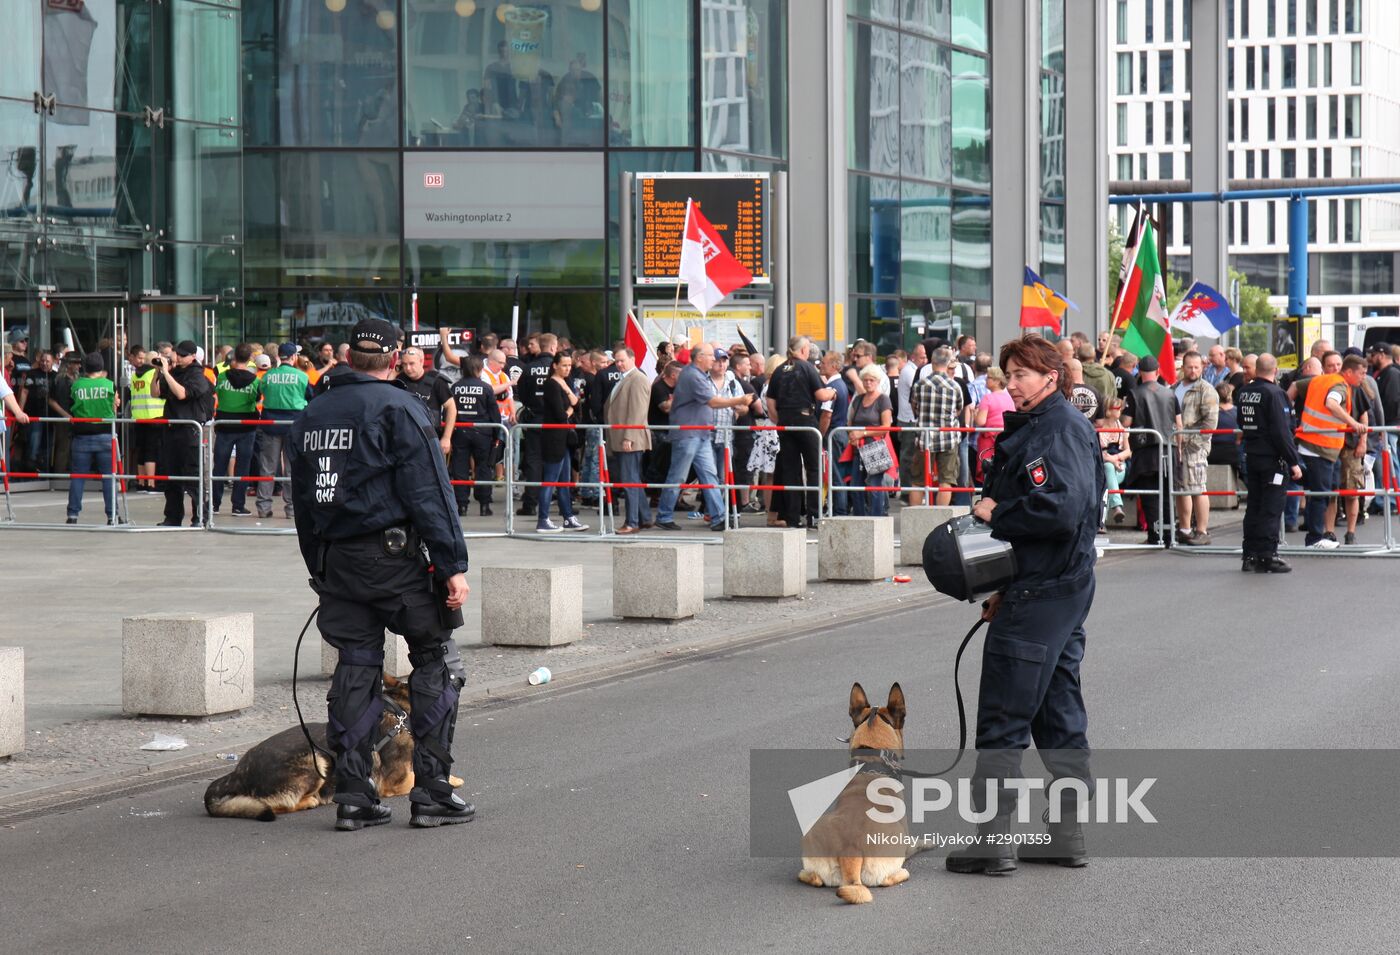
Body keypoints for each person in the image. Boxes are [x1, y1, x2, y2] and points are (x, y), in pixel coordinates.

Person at [287, 318, 473, 831]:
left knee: (355, 668)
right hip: (398, 562)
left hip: (338, 562)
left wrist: (317, 567)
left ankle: (354, 794)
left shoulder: (311, 414)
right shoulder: (398, 407)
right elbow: (429, 493)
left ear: (348, 355)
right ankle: (433, 790)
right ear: (394, 360)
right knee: (435, 662)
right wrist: (453, 565)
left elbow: (302, 504)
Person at [946, 336, 1104, 876]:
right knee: (1058, 714)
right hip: (1052, 587)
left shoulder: (1056, 430)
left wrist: (996, 512)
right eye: (1007, 374)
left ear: (1051, 377)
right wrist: (1006, 588)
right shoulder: (1053, 426)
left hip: (1044, 592)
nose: (1010, 383)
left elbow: (1058, 512)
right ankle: (1066, 834)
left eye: (1021, 375)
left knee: (1003, 720)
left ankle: (994, 842)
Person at [656, 344, 748, 532]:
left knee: (709, 476)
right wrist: (739, 400)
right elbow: (713, 402)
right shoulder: (693, 376)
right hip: (689, 434)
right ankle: (664, 515)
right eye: (711, 356)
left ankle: (718, 517)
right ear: (699, 358)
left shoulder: (696, 375)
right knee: (679, 475)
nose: (714, 360)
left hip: (700, 433)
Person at [1295, 354, 1369, 549]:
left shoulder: (1320, 379)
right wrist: (1353, 423)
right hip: (1320, 447)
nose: (1363, 377)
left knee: (1319, 493)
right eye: (1361, 373)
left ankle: (1316, 536)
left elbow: (1295, 387)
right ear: (1350, 372)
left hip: (1313, 444)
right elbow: (1331, 403)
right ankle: (1315, 539)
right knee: (1320, 495)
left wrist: (1286, 412)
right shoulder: (1340, 386)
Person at [1237, 354, 1300, 572]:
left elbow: (1241, 422)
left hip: (1252, 456)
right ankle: (1267, 555)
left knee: (1254, 505)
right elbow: (1282, 432)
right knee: (1271, 507)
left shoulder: (1244, 392)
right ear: (1275, 370)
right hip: (1272, 459)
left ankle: (1250, 555)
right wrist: (1294, 461)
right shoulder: (1275, 394)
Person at [766, 337, 835, 529]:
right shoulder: (807, 368)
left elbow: (769, 399)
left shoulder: (779, 370)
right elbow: (821, 395)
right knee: (813, 469)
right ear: (804, 350)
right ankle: (813, 516)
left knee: (790, 471)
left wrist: (777, 419)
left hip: (785, 425)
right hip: (806, 422)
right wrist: (832, 393)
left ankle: (792, 517)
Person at [152, 341, 214, 527]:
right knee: (172, 478)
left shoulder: (198, 375)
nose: (178, 358)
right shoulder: (173, 372)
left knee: (193, 477)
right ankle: (172, 517)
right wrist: (158, 372)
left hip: (190, 431)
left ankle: (199, 517)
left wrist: (167, 374)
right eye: (177, 354)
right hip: (171, 430)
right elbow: (155, 393)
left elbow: (181, 394)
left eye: (183, 355)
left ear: (193, 356)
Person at [1120, 355, 1180, 545]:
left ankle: (1155, 536)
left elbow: (1126, 422)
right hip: (1169, 449)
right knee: (1168, 494)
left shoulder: (1134, 393)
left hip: (1146, 451)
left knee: (1150, 494)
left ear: (1139, 369)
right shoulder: (1170, 393)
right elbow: (1180, 425)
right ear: (1158, 370)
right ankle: (1169, 535)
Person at [255, 348, 312, 520]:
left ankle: (263, 508)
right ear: (294, 357)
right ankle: (292, 509)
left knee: (267, 467)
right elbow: (310, 397)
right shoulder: (302, 376)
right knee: (292, 469)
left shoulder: (267, 376)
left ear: (280, 357)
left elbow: (259, 394)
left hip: (270, 426)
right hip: (294, 426)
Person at [65, 352, 121, 525]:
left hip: (81, 436)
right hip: (105, 436)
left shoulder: (76, 385)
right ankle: (112, 516)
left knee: (78, 477)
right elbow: (115, 406)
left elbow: (71, 407)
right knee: (109, 478)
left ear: (85, 367)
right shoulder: (110, 385)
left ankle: (73, 515)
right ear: (101, 366)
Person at [536, 351, 589, 533]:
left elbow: (576, 402)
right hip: (554, 437)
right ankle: (543, 518)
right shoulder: (551, 384)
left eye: (569, 365)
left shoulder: (563, 382)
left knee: (565, 480)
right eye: (564, 365)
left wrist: (568, 395)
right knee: (550, 479)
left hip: (564, 437)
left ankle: (568, 517)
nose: (567, 368)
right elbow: (561, 414)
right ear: (555, 365)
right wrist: (569, 411)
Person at [604, 346, 654, 534]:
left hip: (630, 438)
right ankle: (645, 517)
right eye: (616, 361)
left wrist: (629, 436)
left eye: (622, 360)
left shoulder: (638, 379)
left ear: (632, 359)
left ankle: (632, 522)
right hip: (623, 436)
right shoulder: (626, 378)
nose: (618, 364)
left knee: (629, 480)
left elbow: (638, 411)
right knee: (632, 478)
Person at [1173, 351, 1219, 545]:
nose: (1193, 370)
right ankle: (1184, 529)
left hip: (1195, 446)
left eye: (1196, 367)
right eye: (1189, 366)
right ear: (1183, 367)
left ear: (1202, 367)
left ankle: (1202, 530)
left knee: (1197, 487)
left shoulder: (1206, 390)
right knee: (1181, 487)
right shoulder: (1174, 387)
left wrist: (1191, 441)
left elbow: (1210, 424)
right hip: (1175, 445)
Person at [447, 355, 501, 517]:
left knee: (460, 469)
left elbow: (449, 412)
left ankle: (461, 505)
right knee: (483, 467)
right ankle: (484, 505)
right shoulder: (486, 388)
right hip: (482, 432)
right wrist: (496, 435)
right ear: (479, 369)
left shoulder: (455, 387)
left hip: (460, 432)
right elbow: (494, 414)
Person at [211, 344, 261, 517]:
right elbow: (257, 398)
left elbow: (216, 393)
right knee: (243, 466)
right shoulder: (255, 381)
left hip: (224, 425)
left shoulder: (222, 376)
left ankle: (214, 505)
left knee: (219, 466)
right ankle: (238, 505)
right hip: (247, 426)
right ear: (249, 360)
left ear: (233, 358)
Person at [914, 346, 964, 508]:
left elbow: (915, 407)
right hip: (948, 438)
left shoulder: (920, 385)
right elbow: (958, 410)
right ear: (948, 362)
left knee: (917, 481)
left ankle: (914, 518)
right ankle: (940, 519)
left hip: (924, 438)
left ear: (932, 362)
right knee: (946, 480)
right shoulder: (954, 386)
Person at [515, 334, 557, 518]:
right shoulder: (559, 368)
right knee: (555, 463)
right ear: (554, 348)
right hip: (555, 422)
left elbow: (522, 396)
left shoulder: (529, 368)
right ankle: (554, 503)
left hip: (534, 420)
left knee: (533, 462)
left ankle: (530, 503)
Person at [845, 364, 895, 516]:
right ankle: (860, 517)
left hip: (876, 447)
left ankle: (877, 517)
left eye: (871, 380)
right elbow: (850, 421)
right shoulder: (859, 399)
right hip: (858, 448)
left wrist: (862, 433)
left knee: (874, 485)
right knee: (855, 485)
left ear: (877, 381)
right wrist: (852, 435)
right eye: (865, 380)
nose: (868, 383)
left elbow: (886, 426)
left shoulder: (883, 400)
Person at [974, 367, 1015, 482]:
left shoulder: (988, 398)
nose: (986, 379)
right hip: (1006, 439)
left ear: (997, 381)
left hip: (989, 441)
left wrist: (975, 414)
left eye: (989, 377)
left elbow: (980, 421)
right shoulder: (1010, 398)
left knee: (987, 471)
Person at [1099, 397, 1131, 526]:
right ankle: (1116, 507)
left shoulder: (1121, 428)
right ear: (1108, 411)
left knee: (1107, 471)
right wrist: (1112, 460)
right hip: (1105, 465)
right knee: (1107, 468)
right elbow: (1096, 452)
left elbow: (1128, 451)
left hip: (1119, 466)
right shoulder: (1098, 428)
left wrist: (1115, 459)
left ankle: (1102, 522)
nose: (1120, 411)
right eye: (1118, 408)